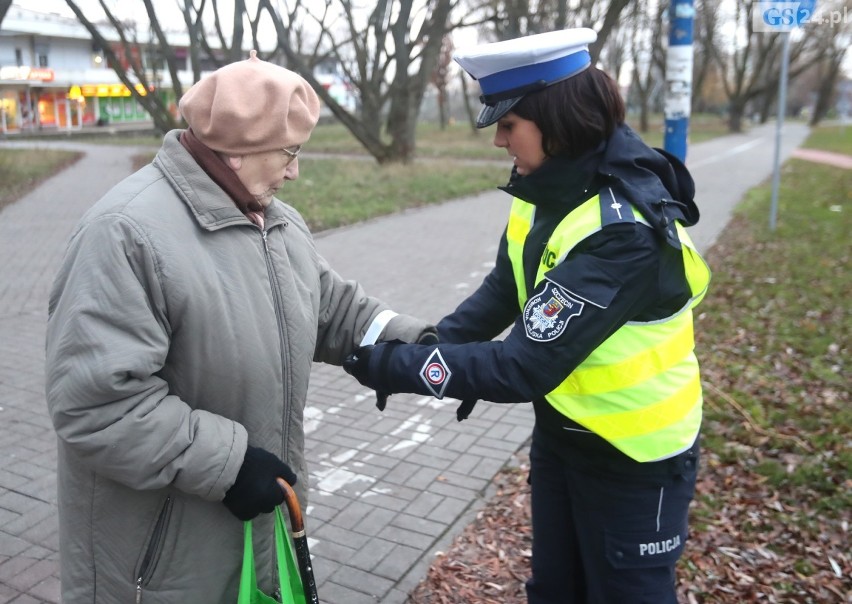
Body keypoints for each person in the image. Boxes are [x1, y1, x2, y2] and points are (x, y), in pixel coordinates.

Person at [45, 50, 434, 603]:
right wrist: (228, 463)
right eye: (289, 153)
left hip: (248, 529)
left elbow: (328, 305)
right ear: (235, 152)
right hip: (158, 560)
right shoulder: (123, 234)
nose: (295, 170)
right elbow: (96, 403)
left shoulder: (272, 218)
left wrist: (412, 344)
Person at [344, 28, 711, 604]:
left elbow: (520, 367)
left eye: (508, 126)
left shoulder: (623, 229)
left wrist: (397, 366)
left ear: (558, 121)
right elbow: (504, 288)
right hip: (563, 436)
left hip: (634, 456)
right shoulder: (551, 189)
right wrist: (440, 342)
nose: (499, 142)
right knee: (554, 590)